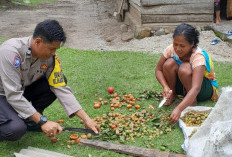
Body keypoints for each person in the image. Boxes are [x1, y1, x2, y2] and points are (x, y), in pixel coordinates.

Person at [0, 19, 100, 141]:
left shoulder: (50, 58)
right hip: (4, 94)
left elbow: (60, 87)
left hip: (19, 90)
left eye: (56, 50)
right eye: (51, 49)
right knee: (15, 129)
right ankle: (27, 119)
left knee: (56, 82)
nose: (53, 53)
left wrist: (86, 119)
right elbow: (13, 95)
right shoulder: (10, 52)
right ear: (38, 42)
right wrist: (42, 121)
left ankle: (30, 120)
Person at [155, 23, 219, 124]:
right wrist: (165, 87)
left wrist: (179, 109)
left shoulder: (198, 56)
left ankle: (192, 102)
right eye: (175, 44)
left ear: (192, 44)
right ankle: (172, 94)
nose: (177, 48)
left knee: (185, 68)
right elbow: (158, 70)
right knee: (169, 64)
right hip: (185, 85)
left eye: (182, 46)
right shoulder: (171, 49)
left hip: (203, 90)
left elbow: (196, 88)